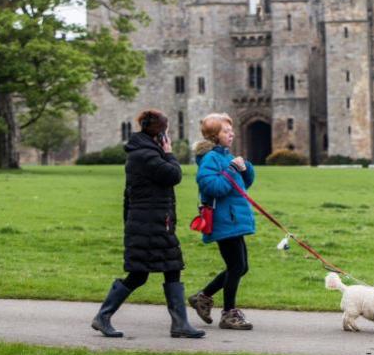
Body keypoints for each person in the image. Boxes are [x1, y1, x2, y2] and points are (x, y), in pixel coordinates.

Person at [91, 109, 205, 339]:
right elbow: (174, 175)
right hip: (149, 223)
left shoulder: (144, 152)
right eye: (166, 131)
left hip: (155, 221)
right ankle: (103, 317)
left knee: (169, 268)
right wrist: (170, 153)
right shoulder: (145, 155)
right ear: (159, 134)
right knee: (141, 273)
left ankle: (179, 324)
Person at [188, 113, 256, 330]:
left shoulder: (225, 156)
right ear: (214, 136)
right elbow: (213, 188)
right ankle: (229, 313)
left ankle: (203, 296)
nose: (232, 134)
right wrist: (232, 169)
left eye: (231, 130)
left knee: (241, 267)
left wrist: (245, 169)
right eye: (226, 131)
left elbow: (242, 185)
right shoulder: (210, 159)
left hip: (233, 219)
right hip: (223, 221)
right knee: (236, 266)